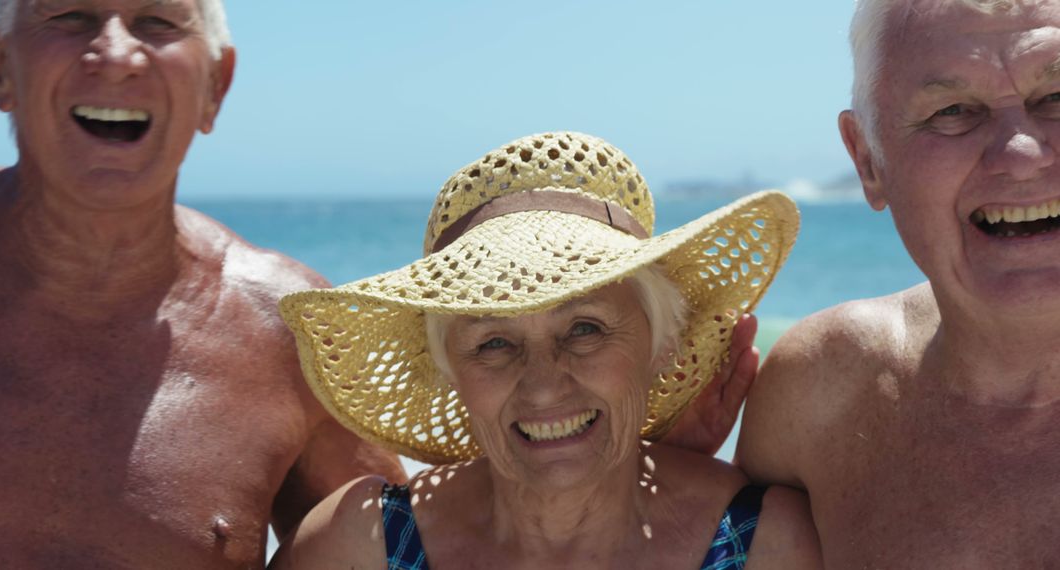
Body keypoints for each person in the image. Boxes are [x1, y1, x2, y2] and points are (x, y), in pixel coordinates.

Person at [268, 132, 822, 569]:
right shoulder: (360, 547)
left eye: (584, 329)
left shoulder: (764, 545)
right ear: (449, 371)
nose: (543, 384)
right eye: (494, 343)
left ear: (662, 346)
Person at [0, 1, 407, 567]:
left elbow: (407, 551)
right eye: (70, 16)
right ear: (1, 64)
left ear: (215, 85)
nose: (115, 56)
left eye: (157, 22)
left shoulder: (291, 331)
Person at [734, 0, 1060, 567]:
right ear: (868, 161)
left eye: (1056, 99)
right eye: (954, 111)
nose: (1022, 155)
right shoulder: (819, 389)